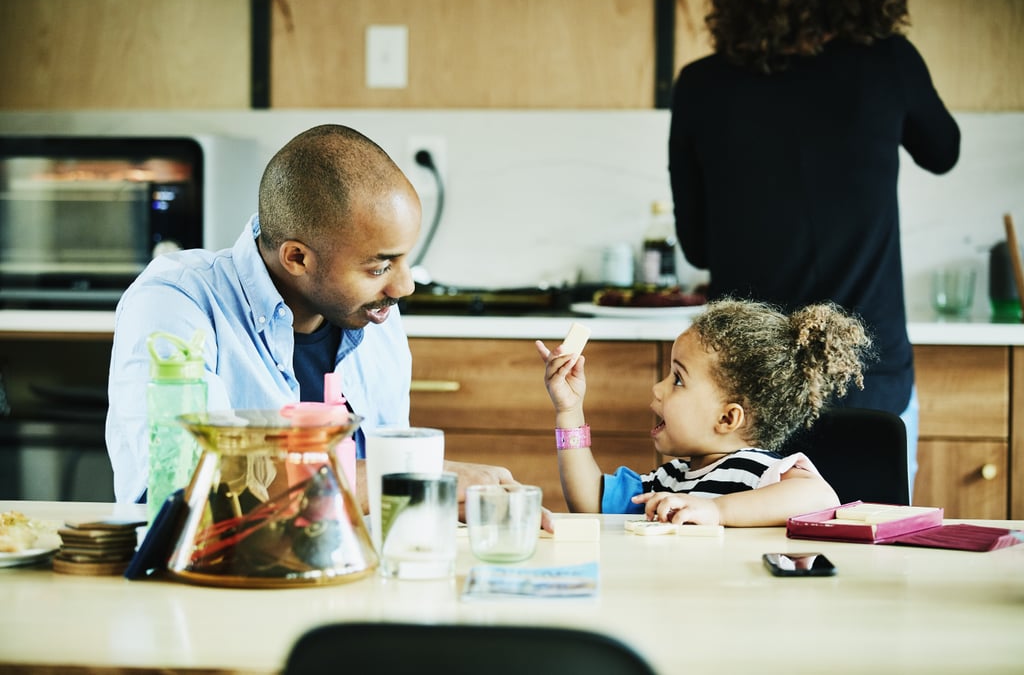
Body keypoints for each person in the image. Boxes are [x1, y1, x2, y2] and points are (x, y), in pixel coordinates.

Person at [106, 124, 516, 512]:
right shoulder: (175, 301)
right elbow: (188, 486)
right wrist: (414, 478)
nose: (404, 287)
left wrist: (449, 503)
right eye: (379, 267)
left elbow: (374, 499)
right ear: (297, 257)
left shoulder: (376, 318)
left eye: (404, 259)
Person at [667, 0, 961, 498]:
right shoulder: (888, 62)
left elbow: (697, 248)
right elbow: (943, 150)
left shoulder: (702, 84)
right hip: (869, 376)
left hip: (745, 391)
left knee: (730, 555)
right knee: (872, 548)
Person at [535, 298, 871, 526]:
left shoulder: (754, 471)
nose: (657, 388)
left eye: (677, 379)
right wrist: (569, 410)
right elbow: (591, 503)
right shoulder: (670, 479)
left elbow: (820, 496)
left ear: (727, 418)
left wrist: (715, 509)